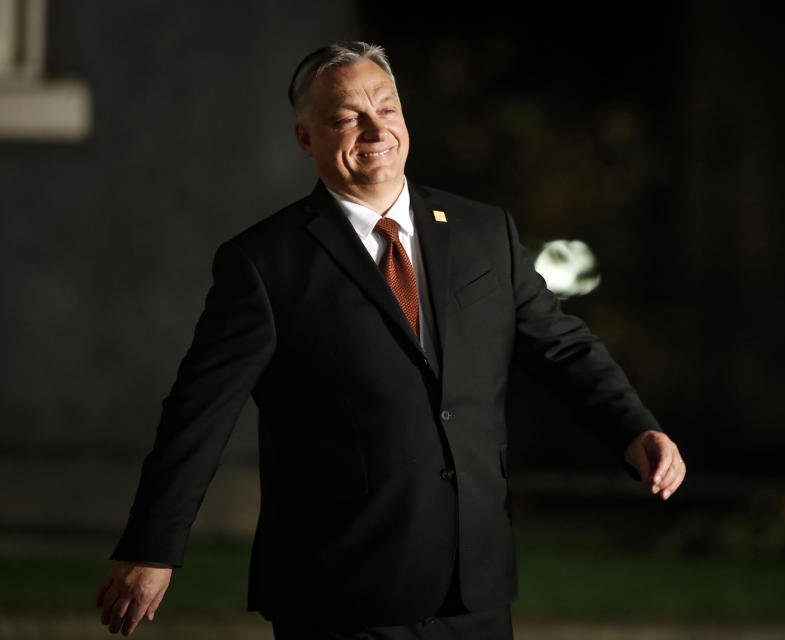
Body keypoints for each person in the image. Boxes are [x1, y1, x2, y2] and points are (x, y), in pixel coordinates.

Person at [95, 41, 685, 638]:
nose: (375, 128)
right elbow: (199, 413)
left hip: (472, 585)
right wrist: (153, 547)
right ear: (306, 138)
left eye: (387, 108)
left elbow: (563, 348)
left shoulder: (485, 233)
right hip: (339, 588)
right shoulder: (264, 263)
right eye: (348, 116)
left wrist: (635, 428)